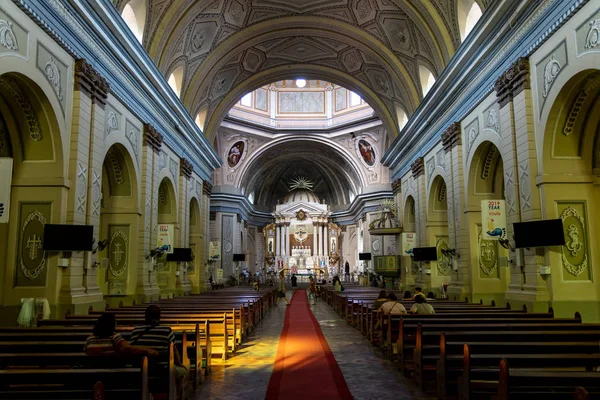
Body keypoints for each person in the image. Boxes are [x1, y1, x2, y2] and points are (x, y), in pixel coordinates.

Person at [131, 306, 188, 395]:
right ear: (159, 317)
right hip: (163, 368)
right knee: (182, 371)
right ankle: (176, 394)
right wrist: (179, 364)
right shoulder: (166, 331)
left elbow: (133, 349)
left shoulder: (136, 331)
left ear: (145, 316)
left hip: (141, 368)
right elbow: (174, 351)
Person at [84, 313, 159, 356]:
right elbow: (128, 348)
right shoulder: (114, 337)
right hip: (111, 368)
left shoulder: (90, 339)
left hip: (92, 368)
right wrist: (147, 350)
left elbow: (85, 350)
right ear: (111, 325)